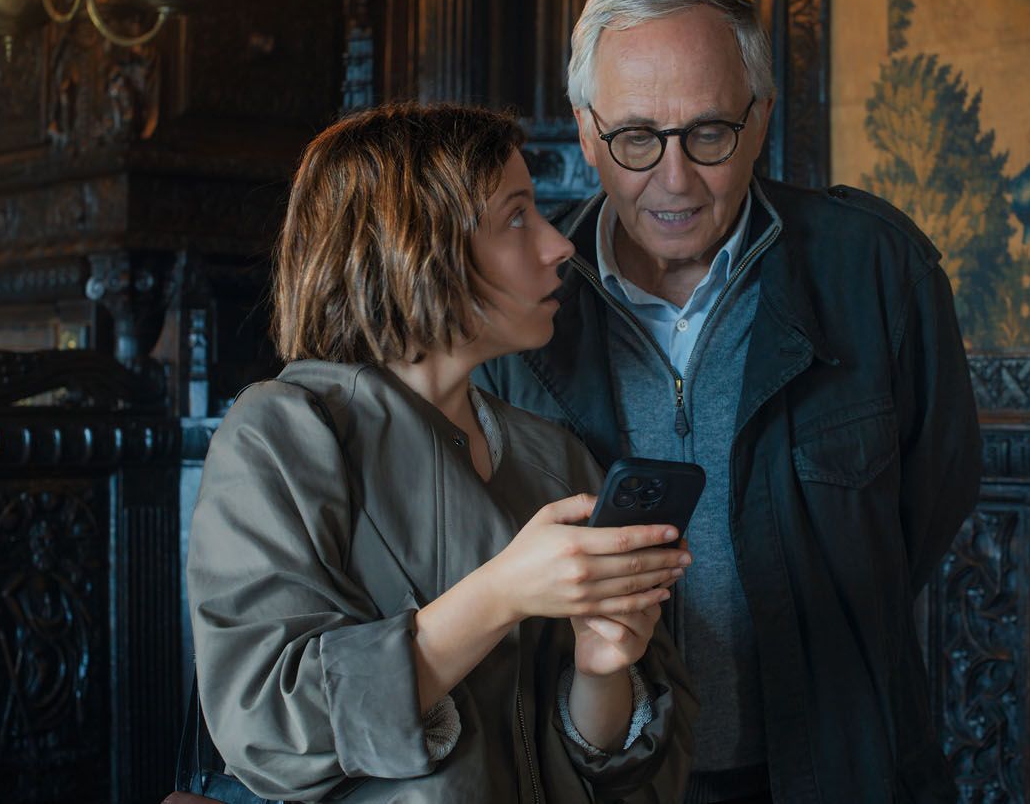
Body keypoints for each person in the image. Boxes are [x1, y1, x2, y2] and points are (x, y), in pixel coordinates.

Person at [476, 0, 983, 803]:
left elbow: (931, 500)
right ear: (587, 132)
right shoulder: (520, 300)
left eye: (709, 132)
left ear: (761, 119)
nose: (674, 178)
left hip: (837, 770)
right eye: (636, 138)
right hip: (598, 781)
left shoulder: (874, 268)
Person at [187, 102, 696, 803]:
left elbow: (607, 764)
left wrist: (601, 668)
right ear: (414, 246)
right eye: (516, 218)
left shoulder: (556, 459)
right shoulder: (281, 435)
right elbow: (267, 726)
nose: (559, 245)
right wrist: (500, 595)